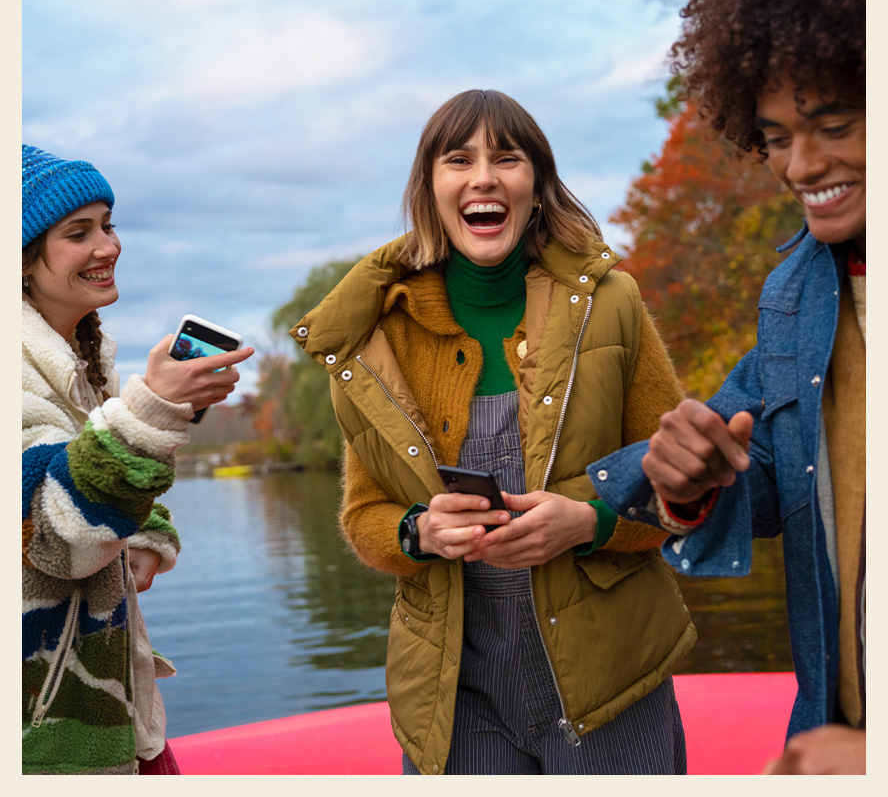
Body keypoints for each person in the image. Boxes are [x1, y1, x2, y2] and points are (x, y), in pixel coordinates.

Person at [292, 90, 696, 775]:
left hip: (610, 685)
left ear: (535, 187)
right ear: (430, 190)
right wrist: (417, 532)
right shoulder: (373, 341)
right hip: (455, 698)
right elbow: (364, 516)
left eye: (506, 158)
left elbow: (684, 490)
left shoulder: (612, 305)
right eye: (459, 160)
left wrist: (589, 522)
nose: (483, 177)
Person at [587, 0, 865, 775]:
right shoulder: (794, 293)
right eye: (776, 136)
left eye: (834, 124)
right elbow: (786, 479)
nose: (801, 165)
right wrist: (687, 480)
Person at [22, 144, 254, 774]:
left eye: (108, 223)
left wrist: (147, 528)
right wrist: (152, 411)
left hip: (109, 710)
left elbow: (84, 473)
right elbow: (51, 536)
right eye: (78, 233)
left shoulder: (83, 361)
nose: (109, 246)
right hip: (41, 741)